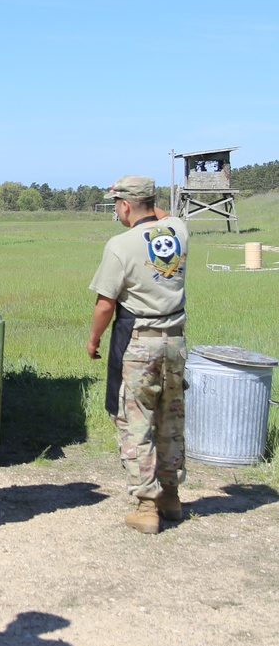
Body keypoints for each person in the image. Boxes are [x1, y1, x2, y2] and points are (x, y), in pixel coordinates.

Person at [86, 175, 188, 534]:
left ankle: (146, 507)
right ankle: (171, 498)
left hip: (139, 342)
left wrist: (93, 340)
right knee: (170, 416)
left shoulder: (120, 245)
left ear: (125, 206)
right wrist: (143, 202)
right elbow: (161, 215)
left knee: (136, 420)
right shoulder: (178, 231)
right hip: (175, 341)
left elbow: (105, 304)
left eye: (118, 204)